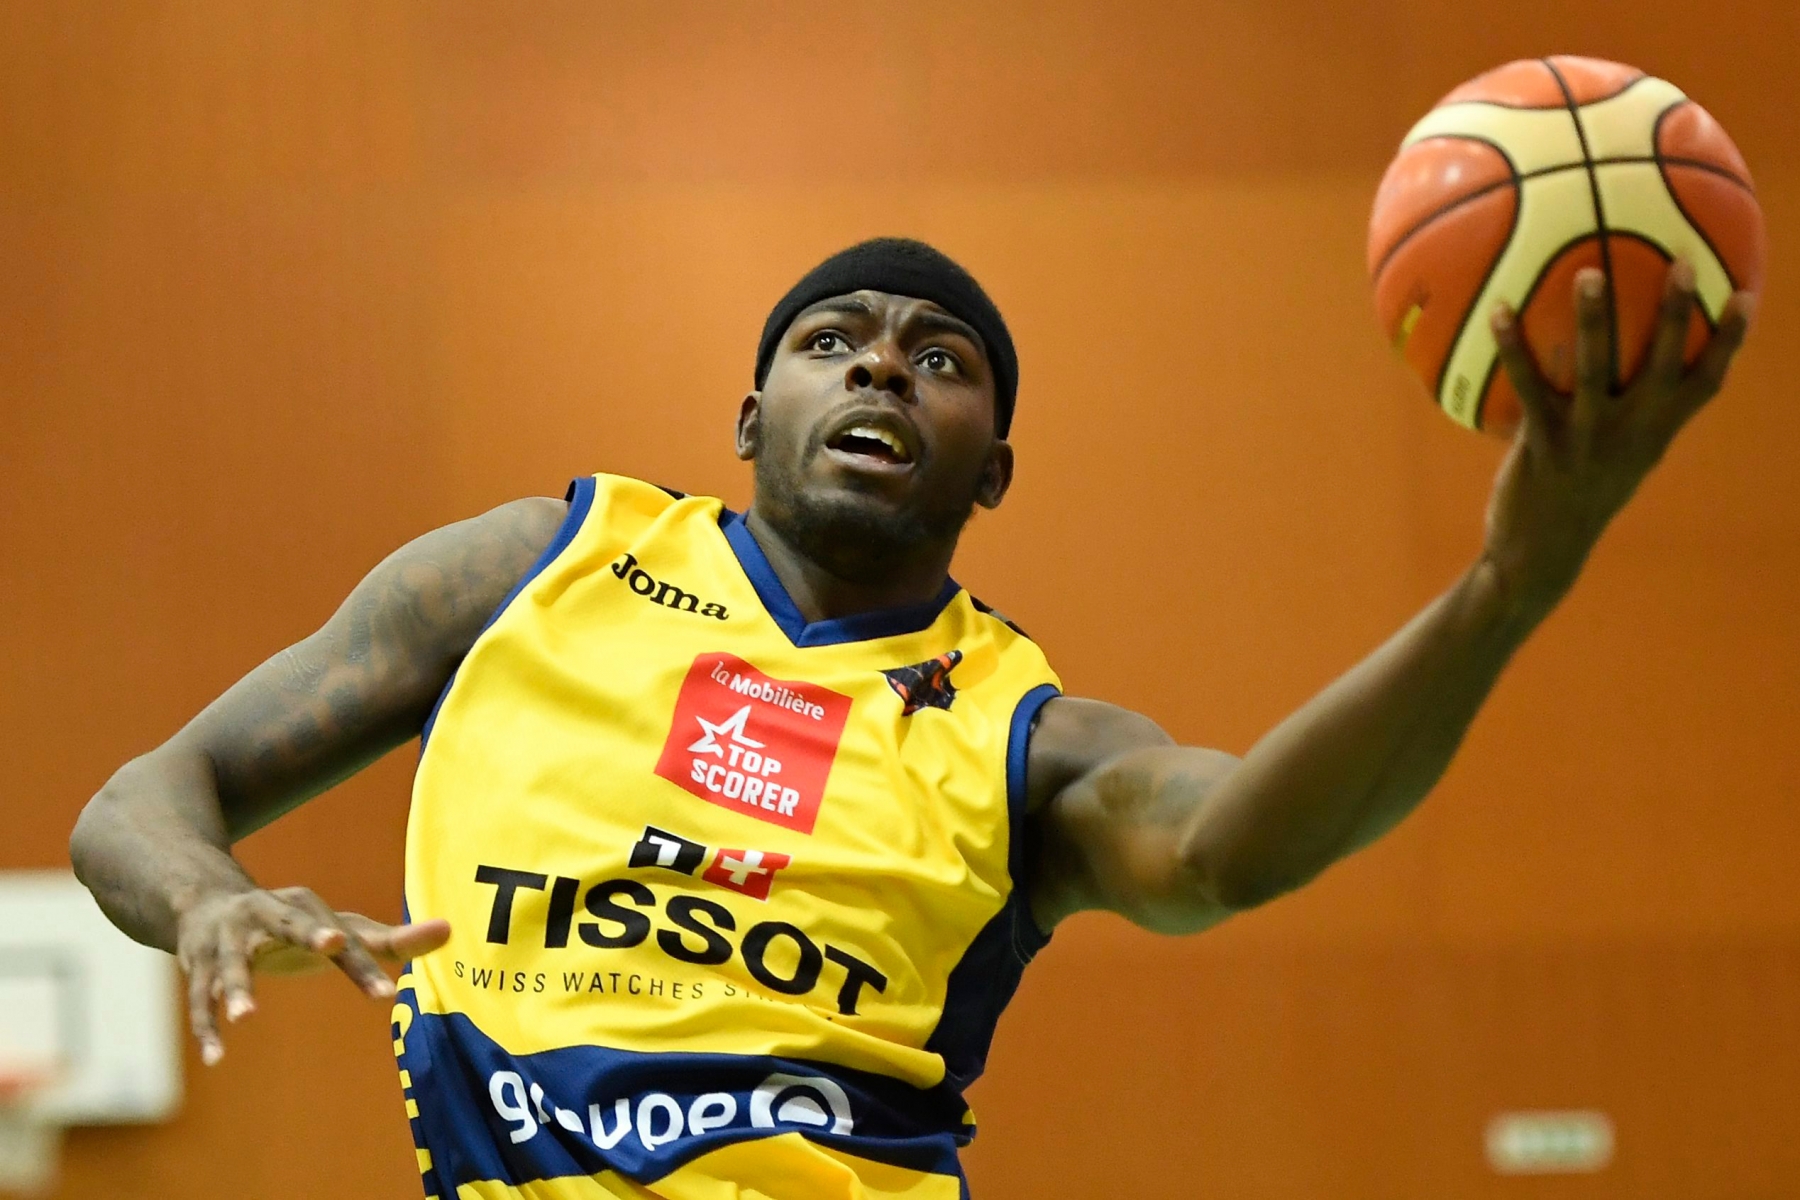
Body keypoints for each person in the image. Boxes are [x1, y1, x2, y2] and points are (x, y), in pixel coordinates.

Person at [69, 238, 1752, 1198]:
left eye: (940, 359)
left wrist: (1508, 588)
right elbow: (145, 799)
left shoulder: (1030, 740)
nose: (882, 368)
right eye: (834, 342)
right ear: (750, 412)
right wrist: (212, 896)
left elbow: (1236, 847)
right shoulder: (537, 566)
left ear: (994, 468)